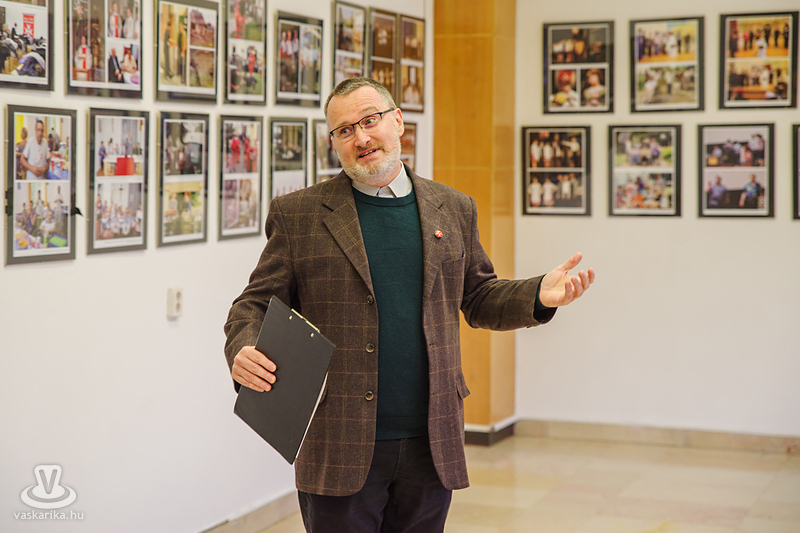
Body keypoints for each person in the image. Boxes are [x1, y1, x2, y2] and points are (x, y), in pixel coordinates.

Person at [224, 77, 595, 532]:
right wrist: (243, 347)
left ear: (398, 122)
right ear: (334, 142)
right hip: (338, 439)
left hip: (430, 440)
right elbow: (254, 304)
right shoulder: (298, 215)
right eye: (344, 130)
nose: (360, 138)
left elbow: (478, 296)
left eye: (370, 121)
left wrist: (536, 294)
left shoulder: (453, 208)